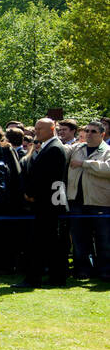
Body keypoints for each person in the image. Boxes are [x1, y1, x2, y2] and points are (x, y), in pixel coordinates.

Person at [20, 117, 69, 287]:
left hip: (48, 202)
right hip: (48, 202)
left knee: (44, 242)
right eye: (36, 128)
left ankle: (39, 277)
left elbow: (47, 177)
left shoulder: (54, 148)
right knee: (49, 242)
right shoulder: (48, 147)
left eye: (40, 128)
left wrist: (32, 194)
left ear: (52, 128)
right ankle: (53, 277)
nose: (37, 131)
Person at [66, 120, 110, 281]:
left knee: (103, 239)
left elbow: (108, 169)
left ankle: (104, 271)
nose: (89, 134)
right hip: (76, 201)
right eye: (87, 131)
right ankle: (82, 270)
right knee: (79, 239)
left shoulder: (107, 151)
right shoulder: (77, 148)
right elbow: (62, 151)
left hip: (100, 202)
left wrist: (85, 164)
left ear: (102, 134)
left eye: (93, 132)